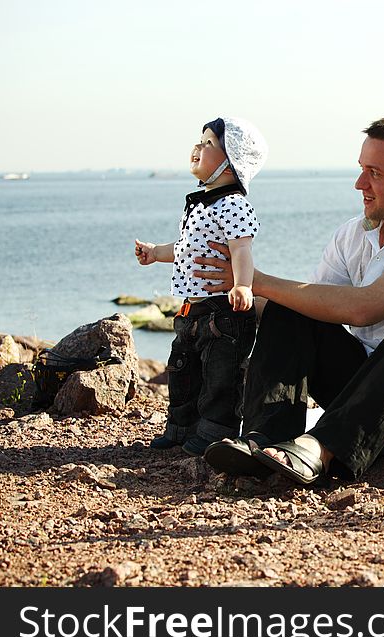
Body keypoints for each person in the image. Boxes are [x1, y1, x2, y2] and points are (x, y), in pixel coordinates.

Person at [198, 110, 384, 484]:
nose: (360, 183)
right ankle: (266, 439)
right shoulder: (352, 235)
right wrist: (229, 287)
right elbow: (310, 311)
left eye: (375, 173)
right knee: (292, 305)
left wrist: (256, 279)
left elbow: (364, 308)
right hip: (370, 394)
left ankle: (321, 449)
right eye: (361, 169)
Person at [134, 116, 268, 456]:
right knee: (183, 370)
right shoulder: (199, 204)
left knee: (219, 377)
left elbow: (241, 250)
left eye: (209, 144)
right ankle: (180, 428)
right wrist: (154, 253)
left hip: (224, 312)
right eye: (201, 140)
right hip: (191, 308)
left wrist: (243, 286)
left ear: (230, 163)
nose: (198, 147)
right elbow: (183, 249)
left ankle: (212, 434)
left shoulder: (233, 204)